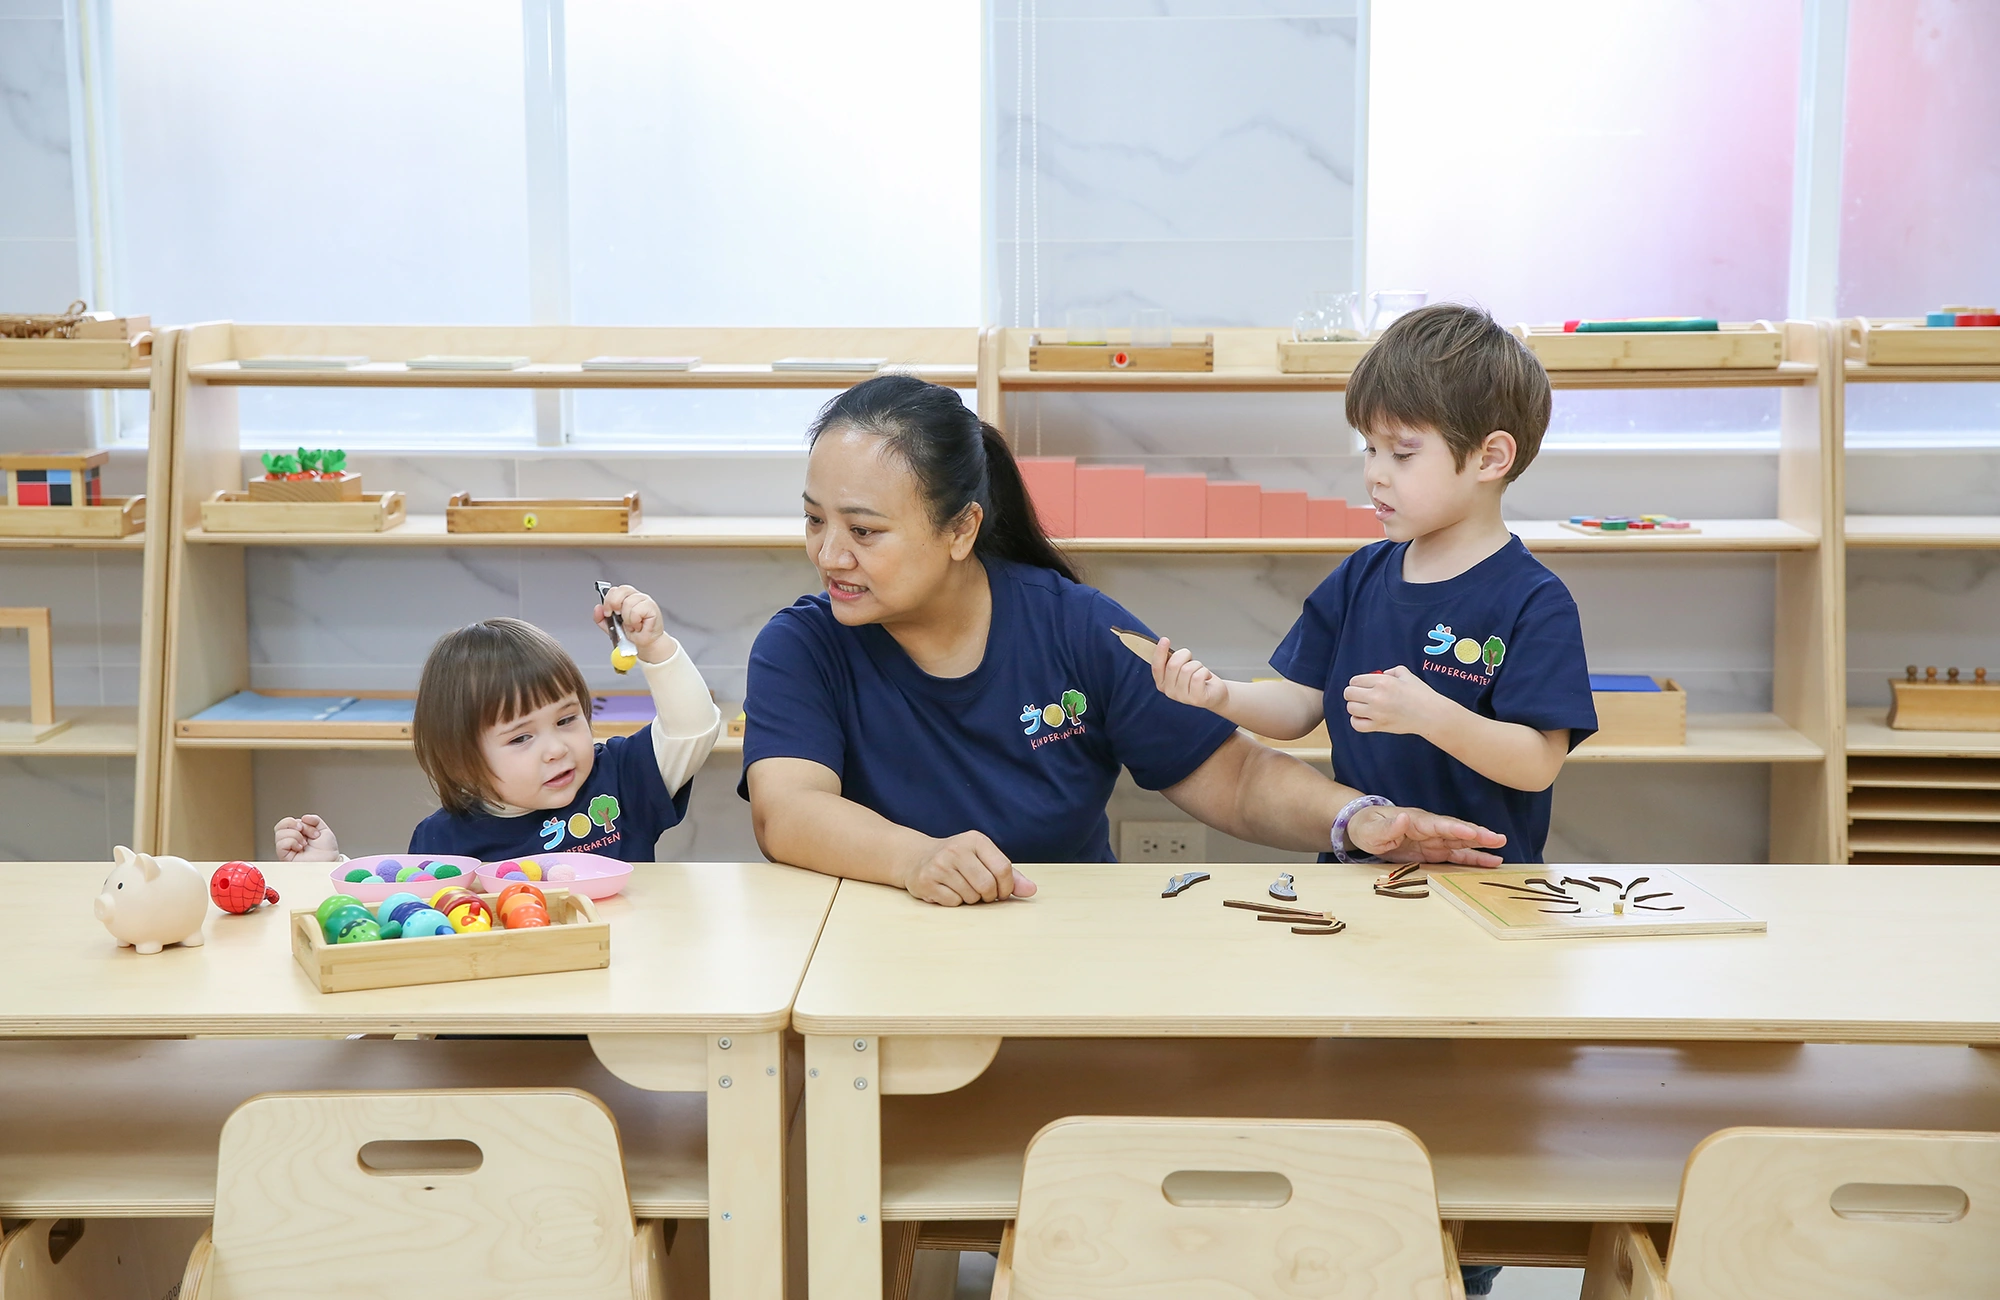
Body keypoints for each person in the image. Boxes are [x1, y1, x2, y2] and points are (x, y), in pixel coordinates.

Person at [740, 373, 1508, 906]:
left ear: (961, 528)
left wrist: (1358, 819)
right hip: (872, 954)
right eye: (815, 521)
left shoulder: (1074, 625)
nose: (829, 555)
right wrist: (916, 861)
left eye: (864, 531)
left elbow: (1231, 776)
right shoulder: (801, 648)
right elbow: (790, 812)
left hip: (1060, 944)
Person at [1149, 302, 1597, 866]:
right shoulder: (1361, 575)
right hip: (1360, 875)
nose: (1375, 473)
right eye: (1370, 448)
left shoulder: (1535, 602)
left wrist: (1429, 714)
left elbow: (1537, 764)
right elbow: (1297, 705)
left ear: (1491, 457)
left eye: (1403, 453)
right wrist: (1221, 696)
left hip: (1482, 884)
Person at [275, 585, 721, 862]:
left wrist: (655, 646)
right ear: (463, 760)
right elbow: (406, 916)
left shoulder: (621, 777)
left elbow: (693, 730)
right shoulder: (441, 839)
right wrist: (328, 868)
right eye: (521, 737)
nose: (556, 748)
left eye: (567, 719)